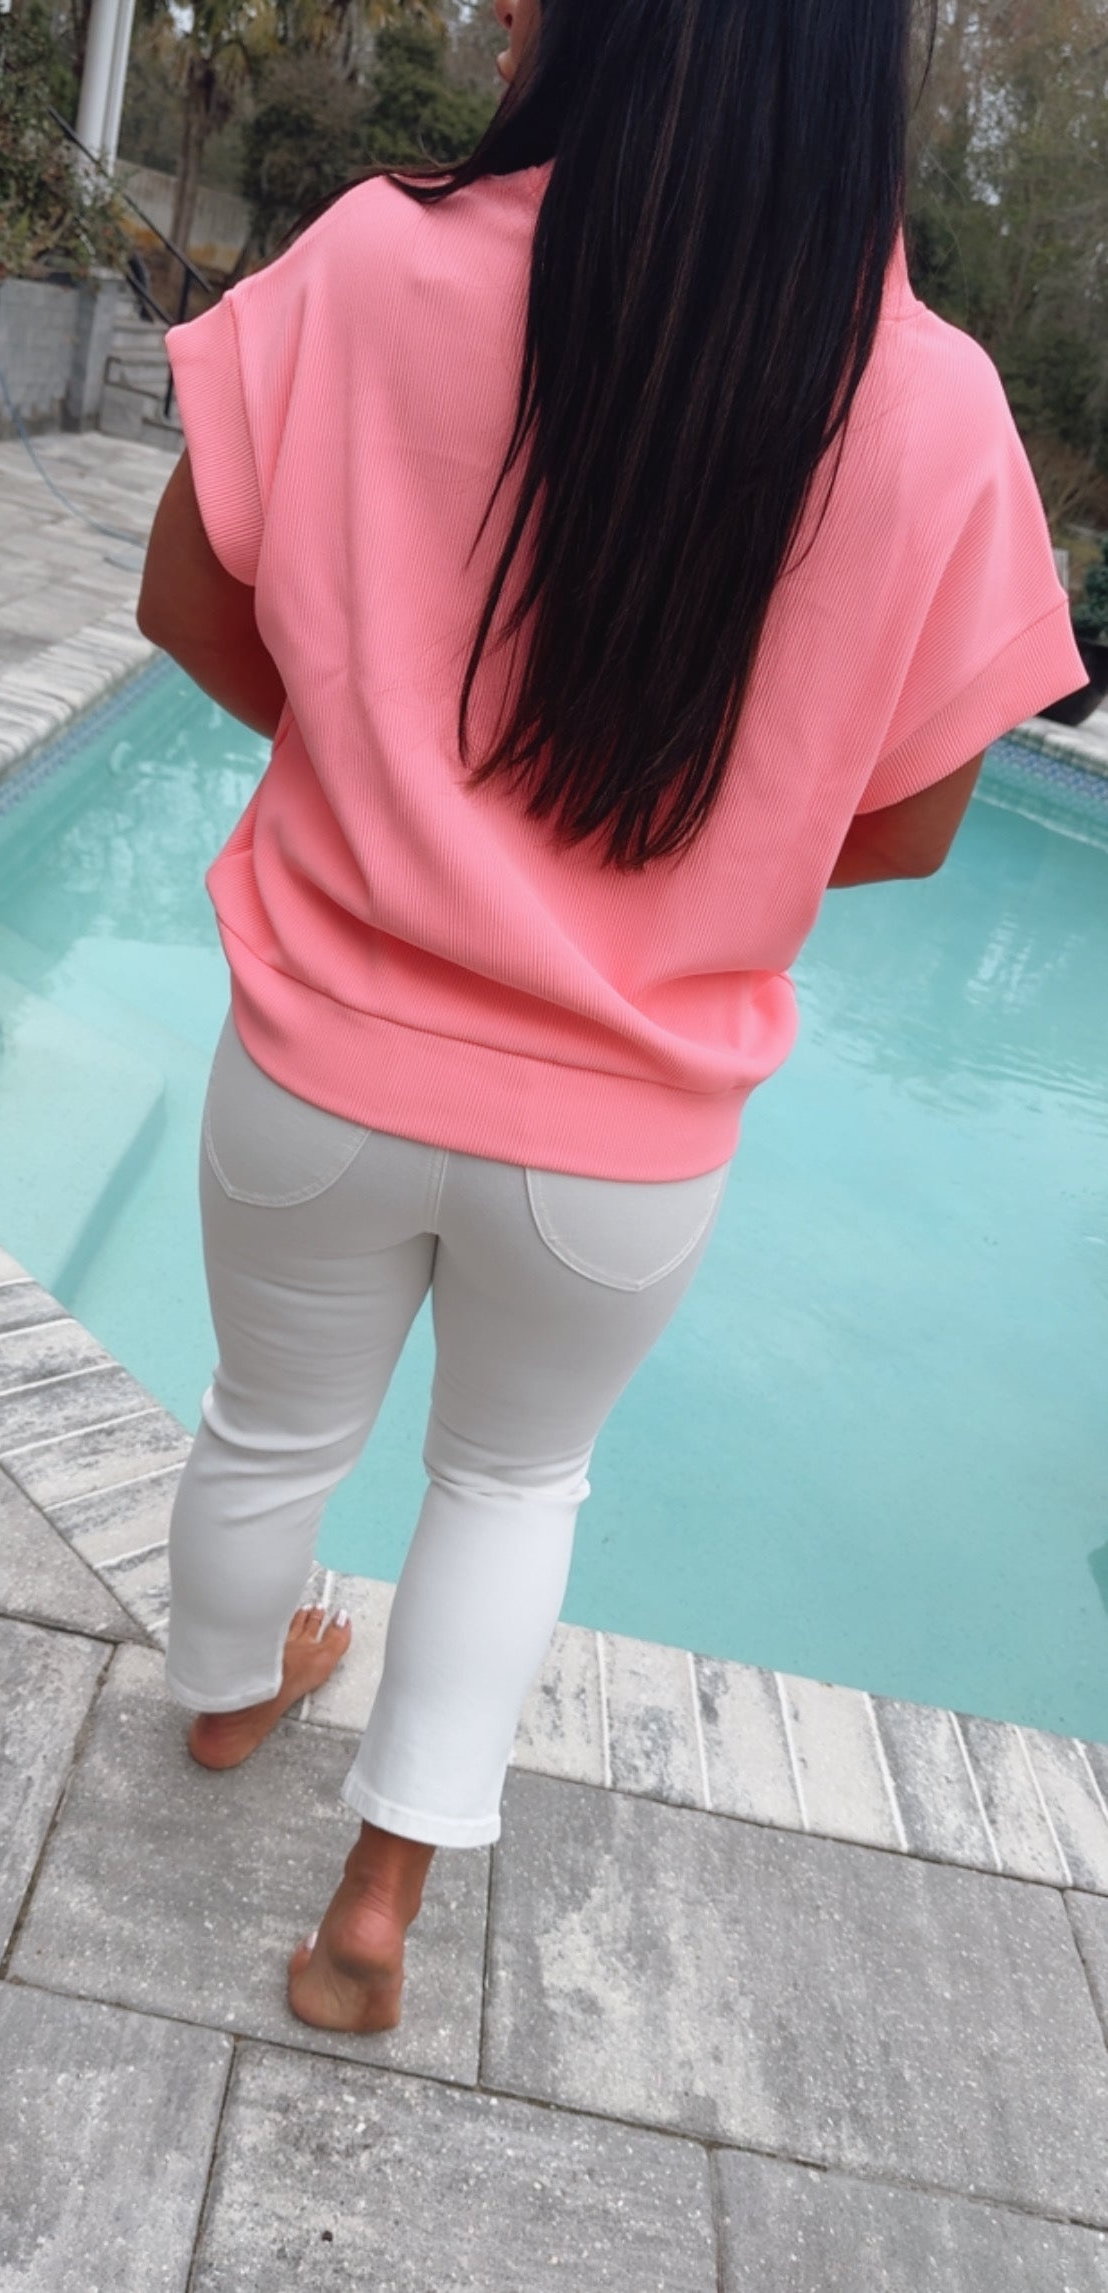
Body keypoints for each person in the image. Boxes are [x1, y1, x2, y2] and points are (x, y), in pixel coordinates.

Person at [136, 0, 1085, 2035]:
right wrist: (684, 883)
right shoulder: (934, 405)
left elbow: (188, 603)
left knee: (268, 1420)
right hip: (622, 1143)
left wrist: (383, 793)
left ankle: (223, 1699)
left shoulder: (379, 255)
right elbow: (917, 825)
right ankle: (375, 1906)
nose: (504, 8)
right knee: (511, 1485)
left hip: (317, 1054)